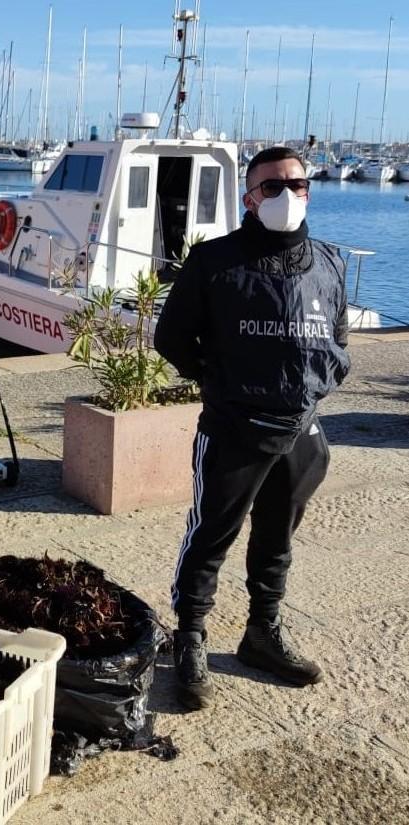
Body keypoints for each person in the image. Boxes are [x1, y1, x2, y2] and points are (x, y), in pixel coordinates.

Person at [153, 146, 350, 711]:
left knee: (276, 539)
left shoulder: (330, 261)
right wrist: (221, 382)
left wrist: (319, 382)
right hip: (235, 429)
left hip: (302, 432)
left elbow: (338, 337)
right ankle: (190, 634)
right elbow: (171, 338)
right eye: (271, 187)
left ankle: (263, 632)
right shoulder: (215, 261)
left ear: (309, 190)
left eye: (297, 184)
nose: (286, 195)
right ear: (249, 196)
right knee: (211, 534)